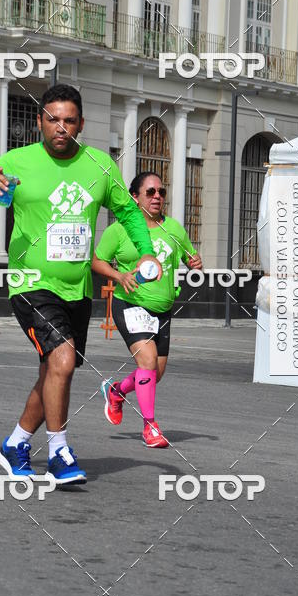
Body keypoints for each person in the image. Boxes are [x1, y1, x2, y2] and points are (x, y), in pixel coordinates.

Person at [0, 84, 161, 485]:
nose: (61, 127)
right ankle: (58, 452)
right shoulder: (17, 161)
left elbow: (128, 212)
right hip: (31, 283)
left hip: (78, 289)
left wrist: (147, 251)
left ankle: (15, 444)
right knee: (63, 361)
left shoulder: (100, 165)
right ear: (40, 122)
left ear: (81, 124)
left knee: (55, 370)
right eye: (53, 119)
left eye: (69, 120)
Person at [92, 171, 201, 448]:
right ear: (135, 197)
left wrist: (195, 262)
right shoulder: (119, 230)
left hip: (162, 309)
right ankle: (150, 427)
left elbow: (190, 257)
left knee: (155, 373)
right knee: (147, 362)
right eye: (150, 192)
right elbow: (97, 261)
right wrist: (119, 276)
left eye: (161, 192)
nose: (157, 197)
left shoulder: (174, 229)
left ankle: (116, 391)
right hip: (130, 304)